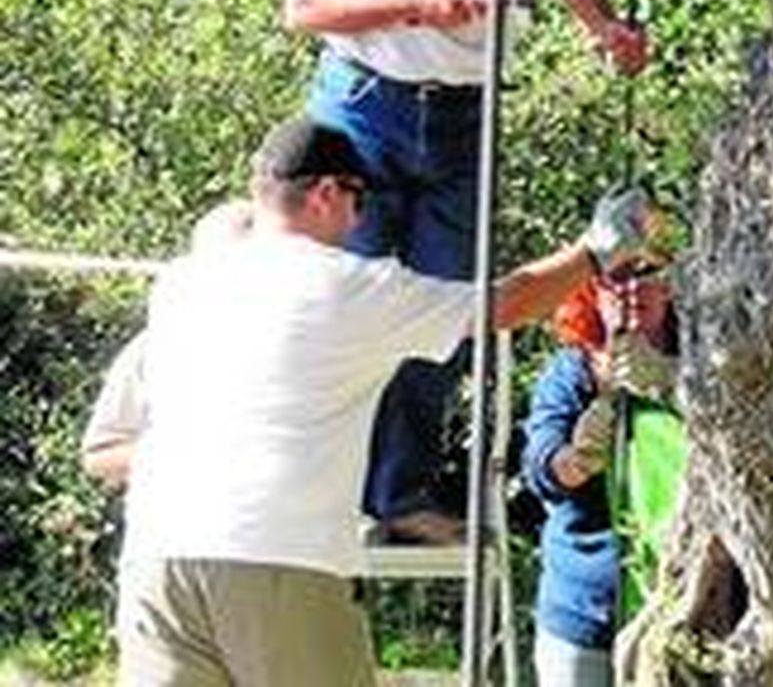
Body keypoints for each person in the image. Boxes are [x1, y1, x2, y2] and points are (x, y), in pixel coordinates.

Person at [273, 0, 650, 543]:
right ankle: (327, 488)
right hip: (361, 105)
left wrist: (607, 28)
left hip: (462, 110)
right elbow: (303, 5)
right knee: (343, 300)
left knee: (446, 308)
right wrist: (413, 1)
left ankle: (399, 494)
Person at [114, 116, 650, 686]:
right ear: (325, 192)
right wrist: (595, 252)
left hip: (157, 558)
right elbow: (505, 305)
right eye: (358, 197)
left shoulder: (182, 283)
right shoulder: (350, 286)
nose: (359, 217)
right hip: (280, 557)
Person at [522, 260, 679, 687]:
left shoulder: (705, 362)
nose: (631, 289)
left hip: (685, 605)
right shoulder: (572, 372)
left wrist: (671, 382)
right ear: (591, 292)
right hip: (586, 611)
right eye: (615, 279)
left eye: (646, 273)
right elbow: (540, 464)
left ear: (670, 285)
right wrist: (575, 460)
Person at [80, 200, 253, 491]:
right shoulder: (152, 349)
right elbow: (98, 456)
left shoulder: (315, 347)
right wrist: (190, 454)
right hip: (178, 526)